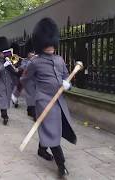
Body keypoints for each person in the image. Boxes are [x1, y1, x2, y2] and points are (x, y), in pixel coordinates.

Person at [21, 18, 77, 178]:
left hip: (59, 102)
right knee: (52, 131)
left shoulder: (59, 60)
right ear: (42, 43)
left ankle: (41, 149)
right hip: (44, 102)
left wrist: (68, 85)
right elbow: (25, 80)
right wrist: (35, 95)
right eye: (48, 43)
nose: (51, 46)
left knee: (51, 129)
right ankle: (61, 165)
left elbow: (67, 77)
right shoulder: (34, 62)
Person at [0, 37, 18, 125]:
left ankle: (4, 113)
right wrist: (4, 65)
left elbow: (14, 71)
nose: (3, 54)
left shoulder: (8, 59)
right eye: (1, 53)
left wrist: (11, 64)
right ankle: (5, 116)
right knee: (2, 99)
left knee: (6, 100)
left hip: (8, 83)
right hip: (0, 83)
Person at [21, 38, 37, 120]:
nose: (33, 54)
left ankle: (31, 110)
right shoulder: (24, 61)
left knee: (35, 97)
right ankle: (34, 114)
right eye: (31, 52)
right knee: (31, 97)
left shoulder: (37, 59)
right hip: (28, 81)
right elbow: (24, 68)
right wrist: (31, 61)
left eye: (33, 52)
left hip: (36, 81)